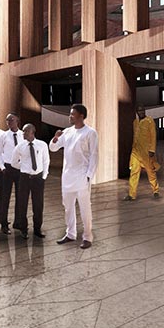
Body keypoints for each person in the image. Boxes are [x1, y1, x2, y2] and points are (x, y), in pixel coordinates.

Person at [50, 104, 98, 250]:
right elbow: (53, 148)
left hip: (82, 176)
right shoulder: (67, 132)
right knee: (68, 207)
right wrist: (56, 138)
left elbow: (95, 156)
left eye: (72, 114)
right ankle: (70, 233)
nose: (70, 116)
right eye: (70, 114)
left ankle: (87, 236)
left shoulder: (90, 133)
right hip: (67, 176)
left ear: (81, 116)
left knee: (84, 208)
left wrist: (89, 176)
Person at [11, 123, 49, 239]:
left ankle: (37, 229)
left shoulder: (42, 145)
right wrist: (23, 167)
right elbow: (13, 162)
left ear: (32, 132)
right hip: (25, 178)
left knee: (38, 205)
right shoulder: (20, 146)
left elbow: (46, 161)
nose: (23, 133)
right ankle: (24, 229)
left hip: (38, 179)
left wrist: (44, 176)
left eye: (26, 131)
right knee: (22, 204)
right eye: (23, 131)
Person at [124, 105, 160, 201]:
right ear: (137, 112)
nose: (141, 112)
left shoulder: (149, 121)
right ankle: (132, 194)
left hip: (146, 152)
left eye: (142, 110)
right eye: (139, 111)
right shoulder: (135, 123)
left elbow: (153, 135)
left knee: (150, 171)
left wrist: (152, 149)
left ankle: (155, 190)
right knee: (134, 172)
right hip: (136, 151)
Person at [0, 113, 24, 235]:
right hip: (7, 168)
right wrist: (2, 167)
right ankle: (4, 223)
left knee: (20, 196)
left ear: (17, 120)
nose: (9, 122)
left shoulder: (23, 134)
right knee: (4, 197)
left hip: (20, 168)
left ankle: (18, 222)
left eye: (11, 120)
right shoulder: (3, 136)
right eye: (7, 120)